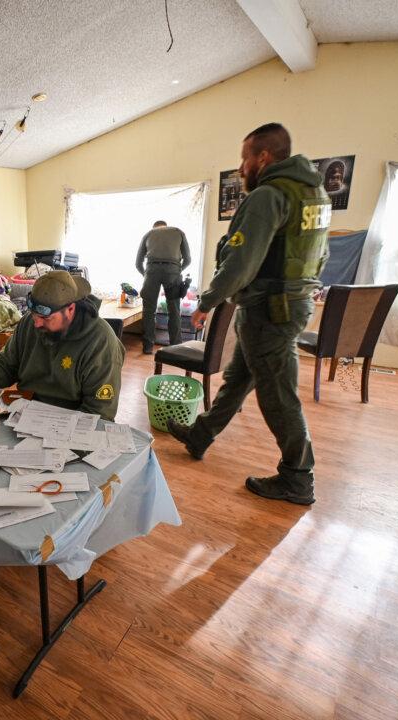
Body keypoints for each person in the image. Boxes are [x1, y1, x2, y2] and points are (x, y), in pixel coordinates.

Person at [166, 123, 331, 505]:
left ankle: (298, 476)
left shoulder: (269, 196)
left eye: (244, 159)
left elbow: (240, 263)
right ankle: (201, 434)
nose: (241, 168)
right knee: (239, 377)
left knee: (278, 396)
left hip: (269, 311)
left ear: (264, 157)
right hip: (290, 304)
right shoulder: (313, 193)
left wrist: (206, 303)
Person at [0, 270, 125, 421]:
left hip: (70, 420)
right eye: (33, 313)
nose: (37, 323)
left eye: (45, 317)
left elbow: (99, 412)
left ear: (70, 309)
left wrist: (54, 430)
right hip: (25, 411)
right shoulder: (29, 323)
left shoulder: (101, 343)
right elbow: (5, 365)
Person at [135, 220, 191, 354]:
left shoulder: (148, 234)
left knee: (149, 311)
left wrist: (146, 275)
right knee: (174, 310)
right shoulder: (178, 232)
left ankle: (148, 347)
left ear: (154, 227)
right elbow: (188, 259)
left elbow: (138, 263)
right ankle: (175, 348)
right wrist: (177, 270)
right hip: (173, 271)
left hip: (152, 271)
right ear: (165, 226)